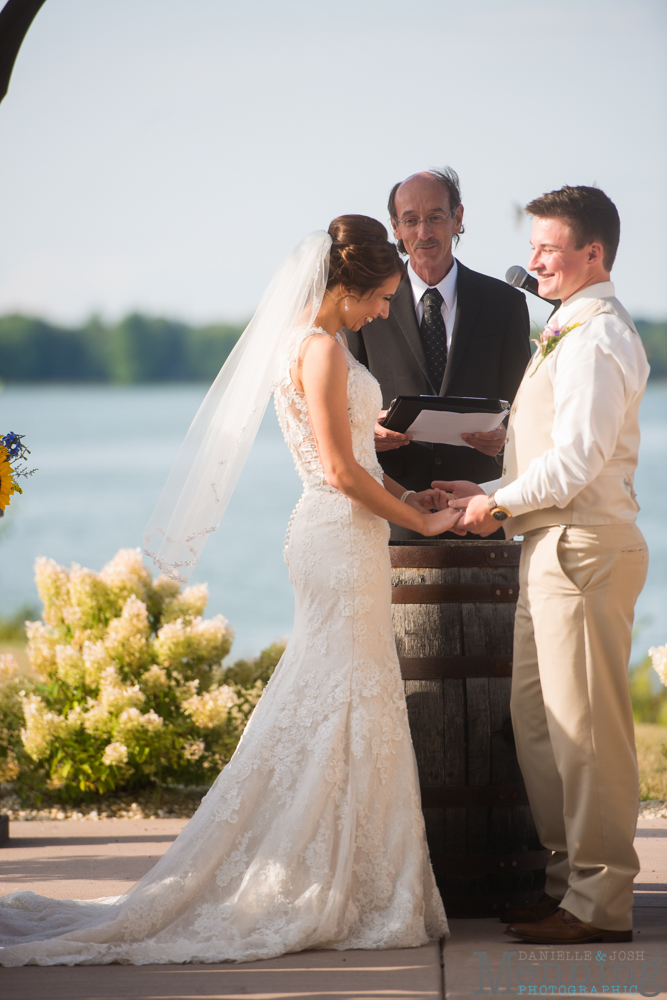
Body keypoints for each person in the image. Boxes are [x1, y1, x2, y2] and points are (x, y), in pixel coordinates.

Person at [0, 216, 461, 967]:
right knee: (347, 695)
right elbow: (339, 474)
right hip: (339, 534)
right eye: (378, 298)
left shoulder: (305, 347)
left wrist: (383, 451)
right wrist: (421, 522)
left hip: (335, 533)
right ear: (344, 287)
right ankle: (339, 880)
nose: (383, 311)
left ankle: (346, 871)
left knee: (337, 695)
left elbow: (336, 448)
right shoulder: (319, 349)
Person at [437, 186, 649, 944]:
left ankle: (600, 906)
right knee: (542, 727)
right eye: (532, 247)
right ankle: (567, 888)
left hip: (583, 549)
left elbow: (578, 465)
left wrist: (490, 507)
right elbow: (552, 463)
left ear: (592, 254)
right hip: (549, 544)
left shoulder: (595, 338)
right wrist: (490, 490)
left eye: (549, 248)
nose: (532, 261)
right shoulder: (568, 328)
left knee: (587, 734)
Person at [346, 168, 531, 539]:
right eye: (411, 221)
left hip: (479, 521)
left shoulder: (505, 304)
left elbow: (524, 409)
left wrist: (505, 438)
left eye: (435, 218)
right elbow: (341, 412)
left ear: (457, 218)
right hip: (388, 521)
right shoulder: (362, 307)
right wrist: (368, 431)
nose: (424, 233)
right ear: (395, 228)